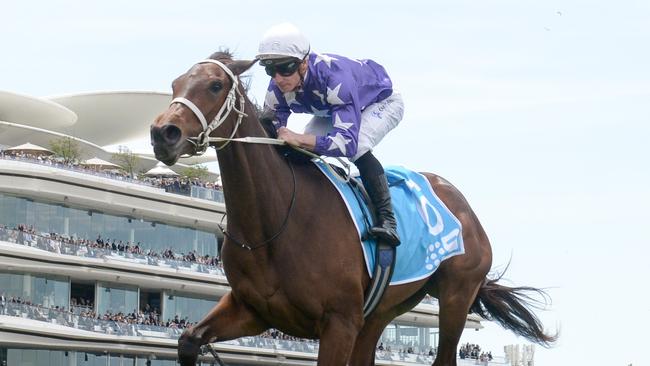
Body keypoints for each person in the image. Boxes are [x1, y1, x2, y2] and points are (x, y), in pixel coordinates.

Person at [257, 23, 405, 246]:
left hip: (380, 102)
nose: (278, 78)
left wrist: (299, 138)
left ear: (304, 63)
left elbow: (346, 144)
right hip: (331, 109)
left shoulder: (335, 78)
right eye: (270, 69)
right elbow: (269, 134)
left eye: (285, 68)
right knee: (298, 149)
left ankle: (387, 221)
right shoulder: (277, 86)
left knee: (359, 145)